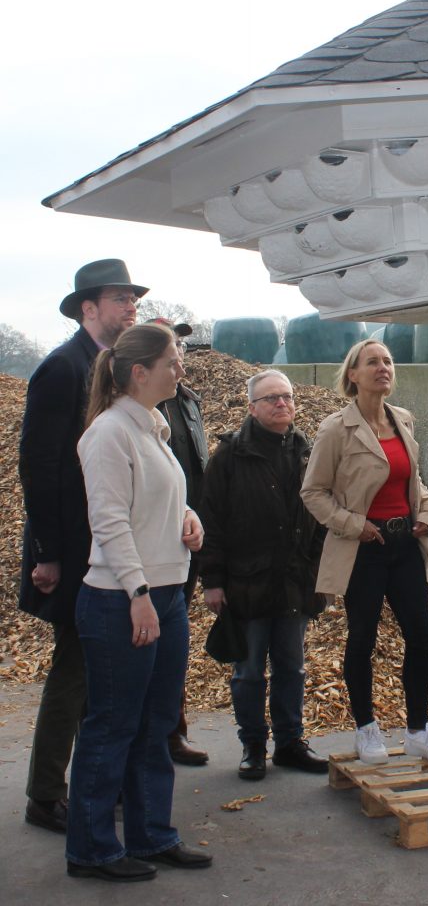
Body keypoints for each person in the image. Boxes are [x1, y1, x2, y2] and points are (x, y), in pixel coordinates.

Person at [68, 323, 211, 881]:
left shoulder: (153, 427)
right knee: (113, 726)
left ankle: (152, 835)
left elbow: (157, 502)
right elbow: (108, 523)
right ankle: (92, 849)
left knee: (154, 725)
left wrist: (188, 518)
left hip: (166, 594)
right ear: (139, 372)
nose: (181, 369)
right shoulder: (109, 433)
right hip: (122, 600)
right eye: (173, 360)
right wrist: (139, 593)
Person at [18, 258, 146, 834]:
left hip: (108, 546)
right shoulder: (62, 369)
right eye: (120, 298)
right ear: (88, 307)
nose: (130, 307)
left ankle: (94, 780)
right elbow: (39, 467)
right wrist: (46, 552)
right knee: (74, 672)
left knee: (97, 672)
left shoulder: (113, 372)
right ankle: (45, 796)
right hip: (70, 551)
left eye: (132, 299)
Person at [300, 339, 428, 766]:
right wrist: (355, 526)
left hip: (405, 545)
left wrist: (426, 511)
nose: (383, 367)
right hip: (363, 550)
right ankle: (366, 729)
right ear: (353, 374)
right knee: (362, 639)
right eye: (373, 362)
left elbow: (414, 483)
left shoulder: (403, 420)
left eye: (387, 361)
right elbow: (313, 492)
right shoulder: (336, 428)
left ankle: (419, 731)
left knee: (421, 636)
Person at [198, 370, 327, 781]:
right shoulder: (229, 459)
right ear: (252, 407)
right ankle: (253, 744)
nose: (281, 404)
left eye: (286, 396)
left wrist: (319, 567)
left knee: (292, 666)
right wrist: (213, 581)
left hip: (294, 580)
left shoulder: (310, 453)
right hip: (246, 583)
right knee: (249, 671)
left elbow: (325, 514)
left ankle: (290, 743)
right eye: (271, 398)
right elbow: (211, 523)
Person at [152, 318, 211, 766]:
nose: (180, 359)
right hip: (148, 550)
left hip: (186, 544)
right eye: (170, 350)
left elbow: (196, 476)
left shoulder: (189, 403)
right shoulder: (124, 416)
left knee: (173, 650)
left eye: (181, 349)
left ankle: (172, 733)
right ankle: (144, 745)